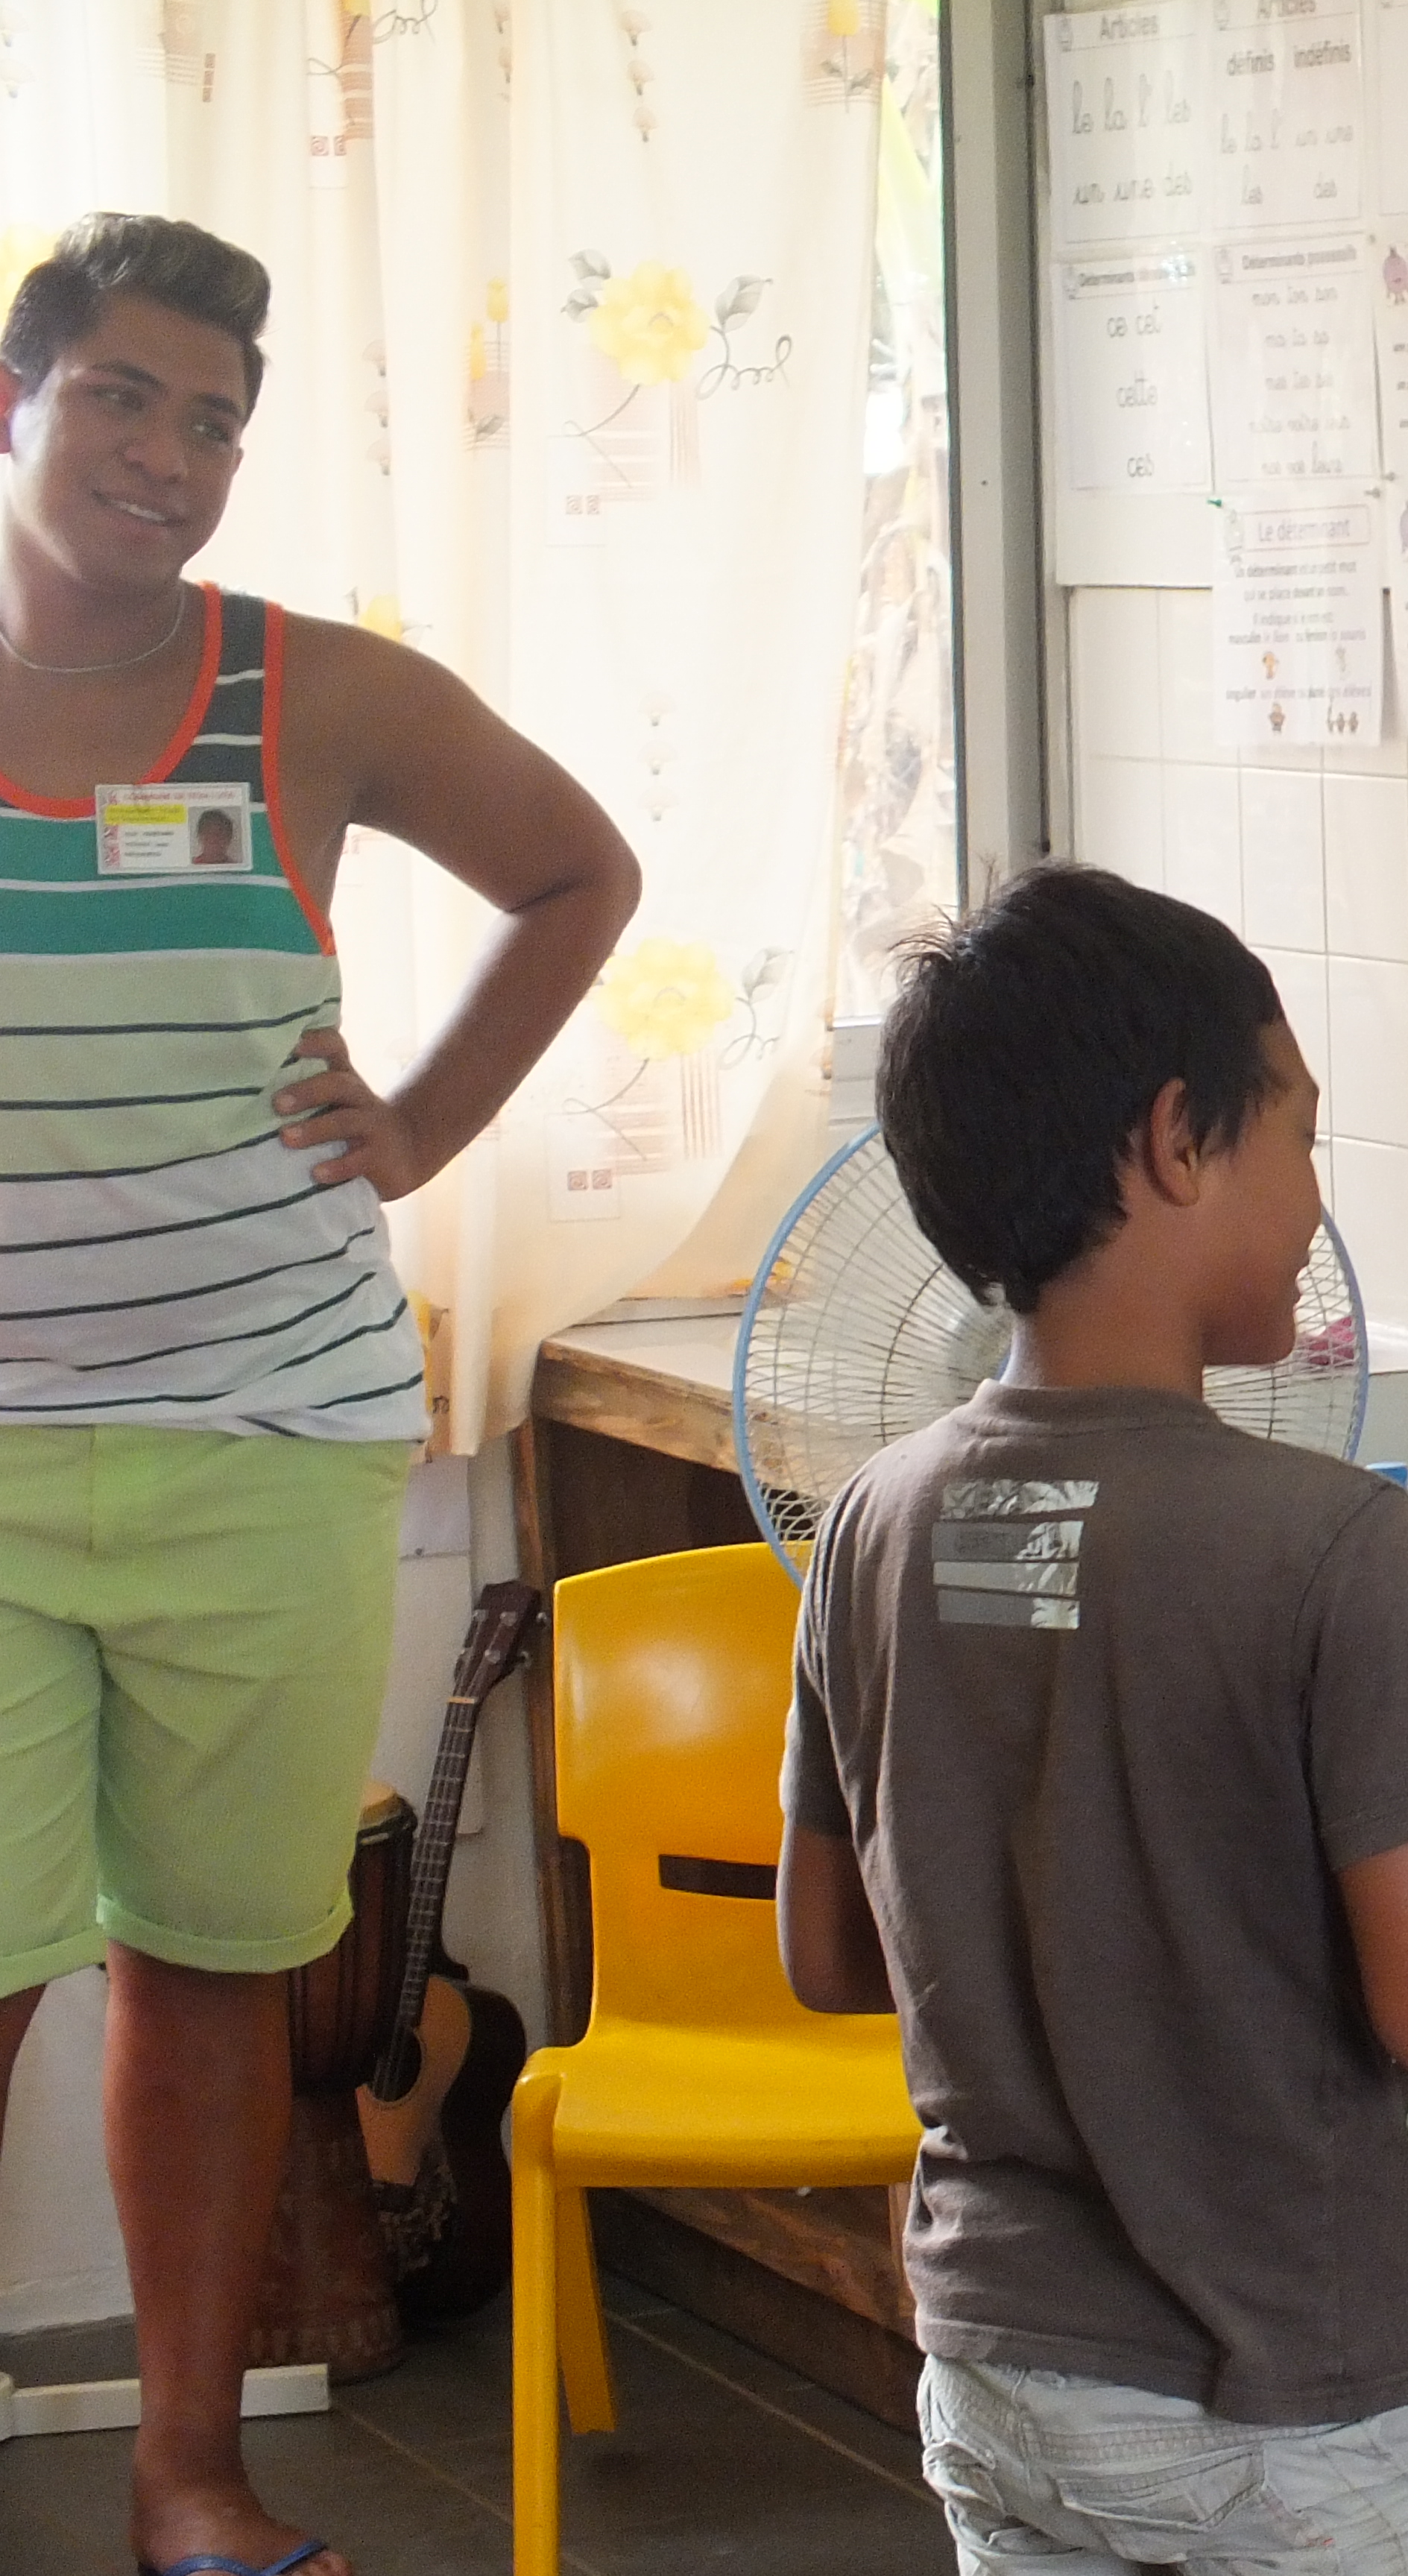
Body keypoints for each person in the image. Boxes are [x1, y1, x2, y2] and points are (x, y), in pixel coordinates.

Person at [0, 215, 637, 2576]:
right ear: (16, 400)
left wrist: (427, 1128)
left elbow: (577, 872)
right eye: (120, 396)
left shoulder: (314, 696)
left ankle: (190, 2476)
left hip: (267, 1431)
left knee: (211, 1975)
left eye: (213, 423)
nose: (166, 456)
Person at [777, 865, 1408, 2575]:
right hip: (1284, 2412)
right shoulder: (1326, 1544)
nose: (1316, 1197)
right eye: (1300, 1137)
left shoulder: (874, 1520)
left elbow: (830, 1953)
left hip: (1000, 2371)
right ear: (1178, 1143)